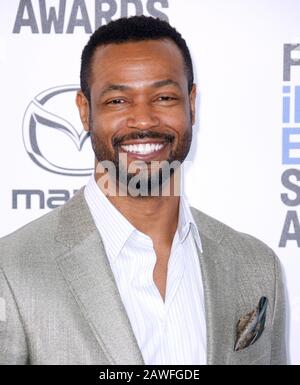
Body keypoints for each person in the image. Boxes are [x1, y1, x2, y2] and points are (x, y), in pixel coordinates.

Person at [0, 16, 286, 365]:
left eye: (164, 97)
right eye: (118, 101)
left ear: (191, 104)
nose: (144, 120)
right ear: (84, 111)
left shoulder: (256, 267)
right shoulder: (11, 270)